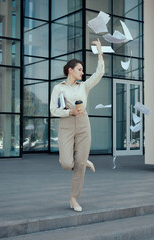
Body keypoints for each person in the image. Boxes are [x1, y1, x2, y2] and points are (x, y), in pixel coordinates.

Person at [50, 38, 104, 212]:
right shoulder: (58, 88)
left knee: (79, 166)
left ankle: (74, 199)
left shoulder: (84, 86)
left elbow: (99, 74)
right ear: (70, 70)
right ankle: (82, 161)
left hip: (83, 124)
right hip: (66, 124)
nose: (82, 72)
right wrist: (69, 112)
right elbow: (52, 110)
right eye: (80, 70)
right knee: (66, 163)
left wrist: (100, 52)